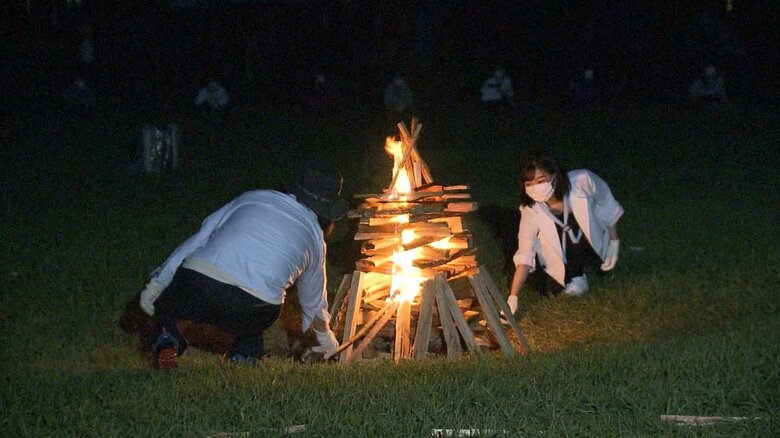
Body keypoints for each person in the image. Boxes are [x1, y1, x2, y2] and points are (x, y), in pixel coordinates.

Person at [138, 160, 350, 369]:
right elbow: (313, 304)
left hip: (200, 284)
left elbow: (195, 242)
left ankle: (168, 340)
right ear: (328, 212)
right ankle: (245, 357)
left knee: (168, 305)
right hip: (256, 306)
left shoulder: (252, 198)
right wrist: (326, 339)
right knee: (253, 321)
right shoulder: (315, 239)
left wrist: (156, 285)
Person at [506, 153, 623, 315]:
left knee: (603, 268)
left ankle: (590, 262)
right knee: (547, 285)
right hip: (565, 251)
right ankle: (575, 275)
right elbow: (525, 250)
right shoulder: (530, 209)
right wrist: (513, 296)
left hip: (589, 238)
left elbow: (605, 201)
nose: (536, 188)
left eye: (541, 181)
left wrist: (613, 240)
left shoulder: (583, 180)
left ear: (554, 176)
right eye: (529, 184)